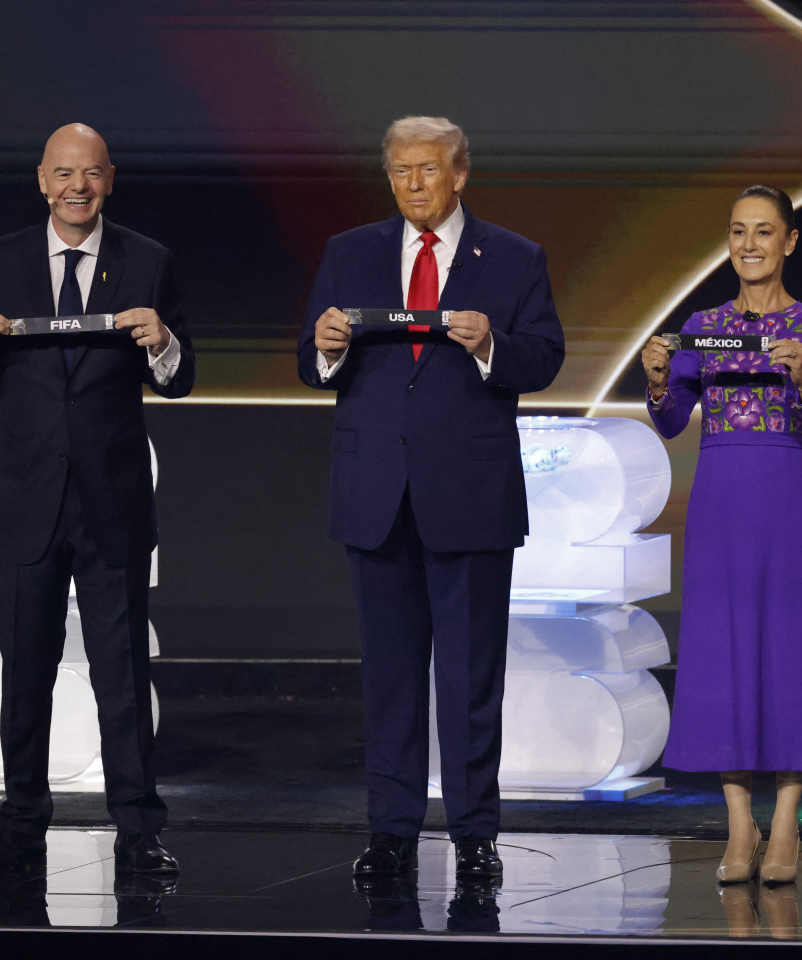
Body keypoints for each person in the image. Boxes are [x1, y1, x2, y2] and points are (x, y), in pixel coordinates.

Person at [297, 116, 564, 881]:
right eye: (401, 171)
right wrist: (323, 348)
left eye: (429, 170)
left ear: (460, 174)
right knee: (389, 675)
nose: (415, 184)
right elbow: (312, 360)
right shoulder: (349, 253)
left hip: (468, 495)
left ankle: (475, 833)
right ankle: (391, 832)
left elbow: (543, 355)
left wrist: (488, 346)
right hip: (376, 494)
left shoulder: (512, 258)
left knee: (471, 678)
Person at [0, 124, 195, 875]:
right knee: (26, 675)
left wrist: (163, 343)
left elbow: (180, 378)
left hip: (112, 503)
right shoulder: (0, 260)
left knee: (120, 674)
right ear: (43, 181)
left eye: (92, 174)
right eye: (63, 174)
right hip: (27, 503)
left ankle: (139, 833)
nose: (77, 187)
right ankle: (21, 829)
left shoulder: (147, 261)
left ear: (109, 179)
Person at [640, 184, 802, 885]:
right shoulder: (703, 325)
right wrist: (661, 379)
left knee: (791, 652)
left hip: (788, 499)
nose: (750, 245)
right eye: (738, 232)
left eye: (764, 232)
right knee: (724, 653)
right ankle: (738, 822)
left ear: (789, 241)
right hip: (721, 500)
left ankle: (785, 819)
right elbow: (671, 422)